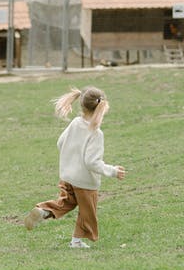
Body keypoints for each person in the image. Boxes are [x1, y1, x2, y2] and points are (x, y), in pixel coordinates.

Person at [23, 86, 126, 248]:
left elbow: (60, 143)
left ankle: (43, 210)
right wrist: (112, 171)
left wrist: (70, 158)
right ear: (102, 108)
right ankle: (76, 241)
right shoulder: (96, 134)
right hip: (85, 182)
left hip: (67, 176)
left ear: (82, 105)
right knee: (88, 213)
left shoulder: (75, 123)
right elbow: (92, 162)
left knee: (66, 203)